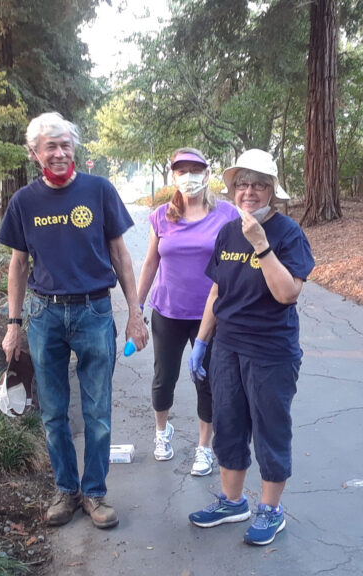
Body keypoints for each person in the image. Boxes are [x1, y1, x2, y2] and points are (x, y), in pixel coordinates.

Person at [0, 112, 148, 530]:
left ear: (74, 147)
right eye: (51, 146)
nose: (60, 153)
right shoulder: (24, 202)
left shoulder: (99, 191)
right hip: (44, 314)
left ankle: (94, 494)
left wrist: (136, 313)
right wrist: (13, 324)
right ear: (35, 154)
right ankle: (66, 490)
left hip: (94, 310)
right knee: (54, 412)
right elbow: (18, 265)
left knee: (98, 411)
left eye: (66, 144)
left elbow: (121, 255)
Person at [185, 149, 314, 546]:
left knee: (270, 430)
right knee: (228, 425)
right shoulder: (226, 232)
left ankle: (271, 510)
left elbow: (287, 293)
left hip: (270, 351)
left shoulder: (288, 233)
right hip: (227, 347)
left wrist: (261, 244)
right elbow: (217, 290)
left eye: (259, 184)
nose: (249, 191)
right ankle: (232, 501)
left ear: (272, 190)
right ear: (233, 188)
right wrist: (203, 341)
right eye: (242, 183)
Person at [135, 147, 236, 475]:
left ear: (207, 174)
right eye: (182, 170)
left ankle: (204, 447)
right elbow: (151, 261)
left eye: (196, 169)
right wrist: (136, 308)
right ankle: (162, 432)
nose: (189, 176)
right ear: (173, 176)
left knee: (206, 380)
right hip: (168, 311)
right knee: (164, 378)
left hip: (211, 315)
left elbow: (240, 260)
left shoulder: (227, 215)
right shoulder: (161, 215)